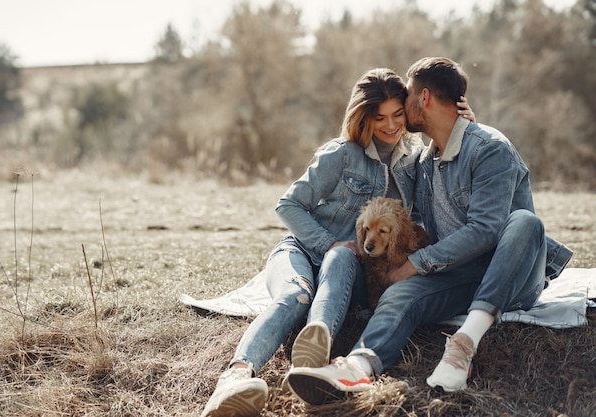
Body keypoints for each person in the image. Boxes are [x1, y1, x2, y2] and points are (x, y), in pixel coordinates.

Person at [285, 57, 573, 404]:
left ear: (423, 98)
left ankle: (462, 347)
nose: (401, 109)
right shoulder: (424, 161)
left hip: (512, 275)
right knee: (398, 295)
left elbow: (485, 230)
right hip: (458, 275)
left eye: (405, 97)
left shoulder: (491, 148)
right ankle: (356, 367)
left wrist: (417, 263)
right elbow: (408, 217)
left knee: (526, 221)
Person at [199, 67, 476, 417]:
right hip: (303, 252)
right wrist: (328, 242)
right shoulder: (341, 154)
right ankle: (235, 379)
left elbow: (441, 190)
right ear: (364, 117)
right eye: (379, 118)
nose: (390, 126)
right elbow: (288, 205)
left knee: (345, 257)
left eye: (397, 115)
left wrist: (463, 126)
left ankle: (314, 357)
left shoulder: (415, 160)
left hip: (352, 268)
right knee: (295, 294)